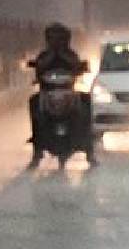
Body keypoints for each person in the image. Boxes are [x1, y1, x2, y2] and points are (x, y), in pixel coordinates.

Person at [28, 23, 96, 169]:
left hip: (68, 91)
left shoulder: (71, 54)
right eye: (53, 39)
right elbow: (38, 67)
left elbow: (78, 66)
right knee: (33, 101)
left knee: (85, 100)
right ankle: (36, 150)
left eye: (60, 39)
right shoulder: (44, 55)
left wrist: (79, 66)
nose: (57, 41)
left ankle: (89, 151)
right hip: (47, 92)